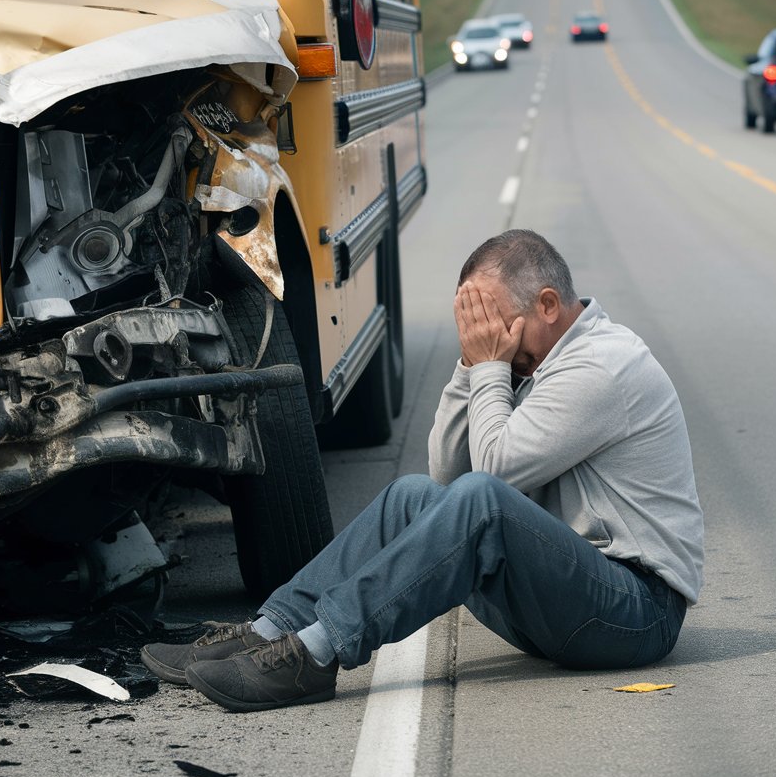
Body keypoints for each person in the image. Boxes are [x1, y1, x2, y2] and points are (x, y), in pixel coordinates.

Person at [140, 229, 704, 712]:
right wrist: (469, 367)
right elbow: (445, 475)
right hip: (569, 596)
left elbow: (493, 477)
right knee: (411, 496)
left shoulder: (601, 365)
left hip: (635, 612)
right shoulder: (538, 355)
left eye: (498, 325)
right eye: (477, 329)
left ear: (549, 305)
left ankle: (315, 654)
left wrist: (488, 369)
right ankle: (267, 630)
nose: (494, 341)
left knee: (484, 497)